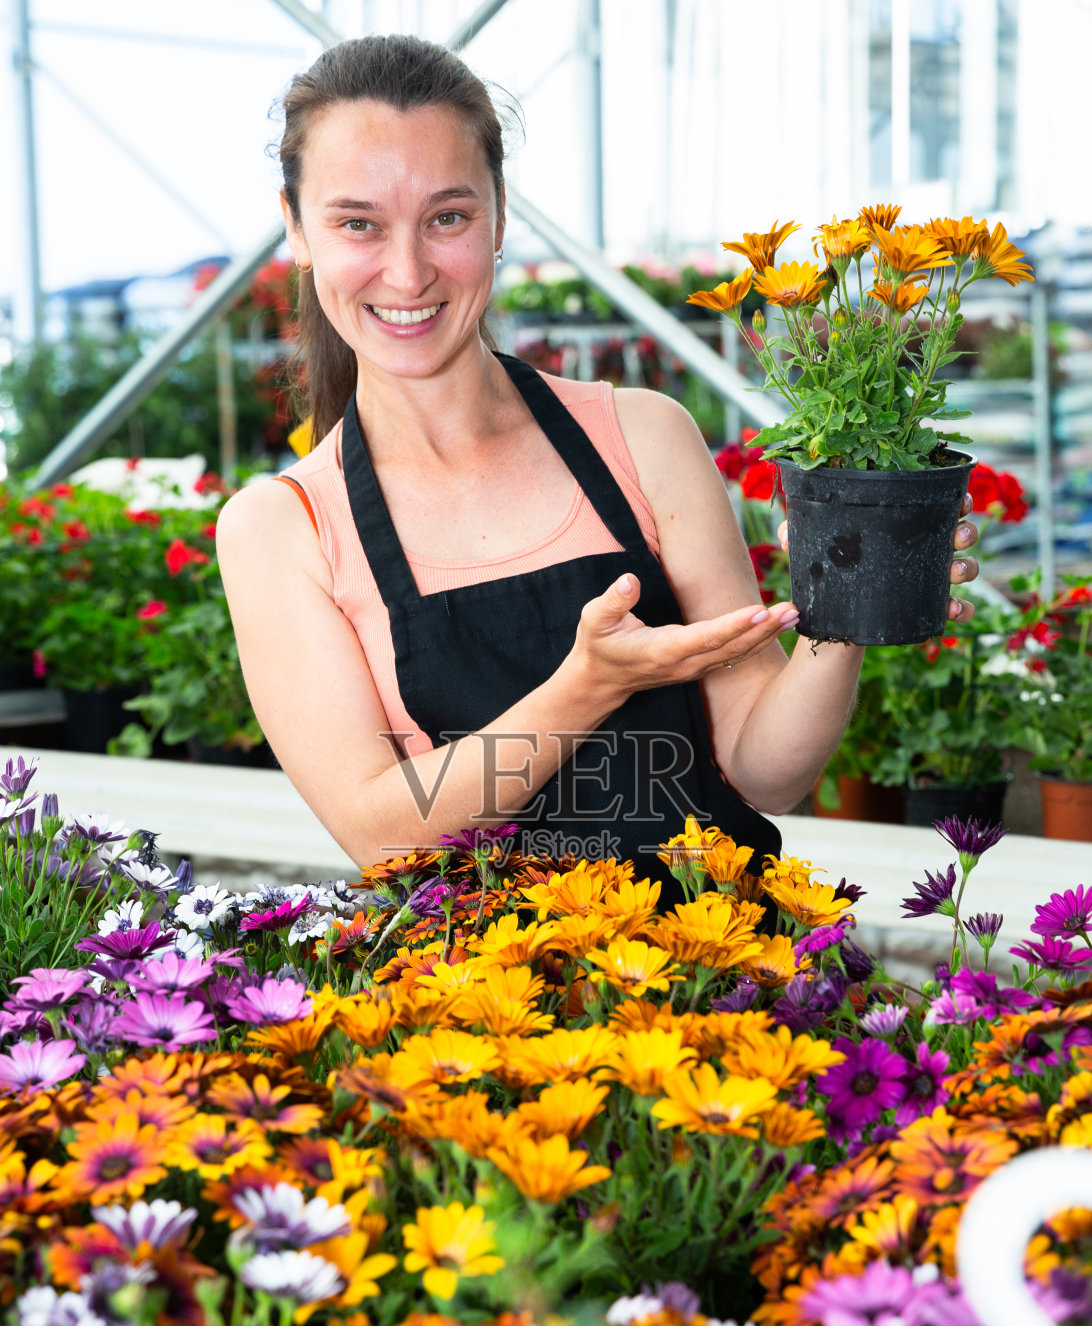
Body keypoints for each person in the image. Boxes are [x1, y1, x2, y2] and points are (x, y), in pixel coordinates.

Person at [216, 34, 979, 897]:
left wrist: (846, 607)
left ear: (500, 216)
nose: (407, 269)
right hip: (488, 1006)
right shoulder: (284, 528)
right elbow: (381, 839)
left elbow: (766, 772)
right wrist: (584, 689)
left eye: (448, 217)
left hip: (724, 970)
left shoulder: (643, 437)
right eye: (358, 223)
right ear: (297, 229)